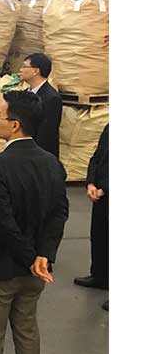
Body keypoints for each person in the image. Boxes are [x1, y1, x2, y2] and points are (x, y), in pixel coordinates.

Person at [0, 90, 69, 354]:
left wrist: (29, 259)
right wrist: (43, 256)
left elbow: (3, 222)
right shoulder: (52, 163)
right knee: (27, 331)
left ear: (15, 125)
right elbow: (59, 212)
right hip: (35, 269)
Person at [74, 124, 109, 310]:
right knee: (99, 236)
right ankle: (101, 276)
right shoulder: (110, 127)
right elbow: (97, 157)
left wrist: (106, 188)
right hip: (101, 194)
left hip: (108, 191)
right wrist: (91, 183)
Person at [19, 53, 62, 158]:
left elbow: (46, 135)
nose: (20, 70)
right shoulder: (25, 94)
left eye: (24, 66)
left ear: (35, 71)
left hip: (39, 156)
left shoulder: (51, 98)